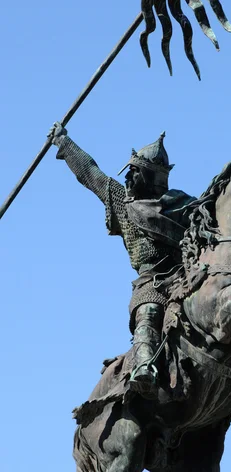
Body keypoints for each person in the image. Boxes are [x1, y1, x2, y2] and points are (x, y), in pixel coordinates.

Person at [48, 122, 194, 398]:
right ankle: (144, 366)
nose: (128, 178)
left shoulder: (182, 205)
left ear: (150, 177)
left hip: (186, 279)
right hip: (151, 284)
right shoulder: (123, 203)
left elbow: (210, 218)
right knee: (149, 312)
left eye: (134, 173)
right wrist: (64, 144)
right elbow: (91, 174)